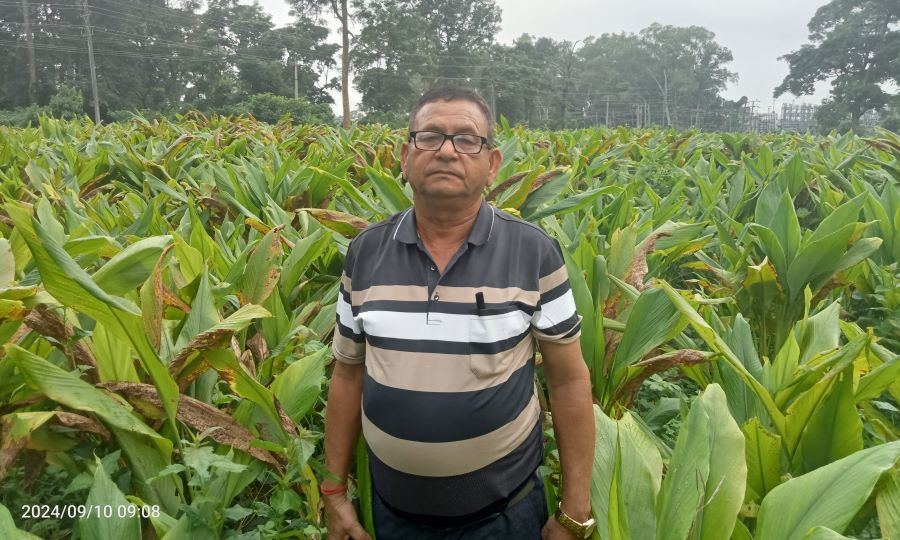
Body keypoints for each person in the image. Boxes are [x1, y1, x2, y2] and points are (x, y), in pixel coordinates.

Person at [321, 85, 596, 540]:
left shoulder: (534, 253)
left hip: (504, 520)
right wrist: (333, 492)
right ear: (405, 158)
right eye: (430, 137)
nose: (447, 151)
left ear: (491, 165)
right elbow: (348, 374)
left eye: (467, 139)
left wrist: (575, 511)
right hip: (392, 518)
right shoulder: (365, 253)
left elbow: (569, 381)